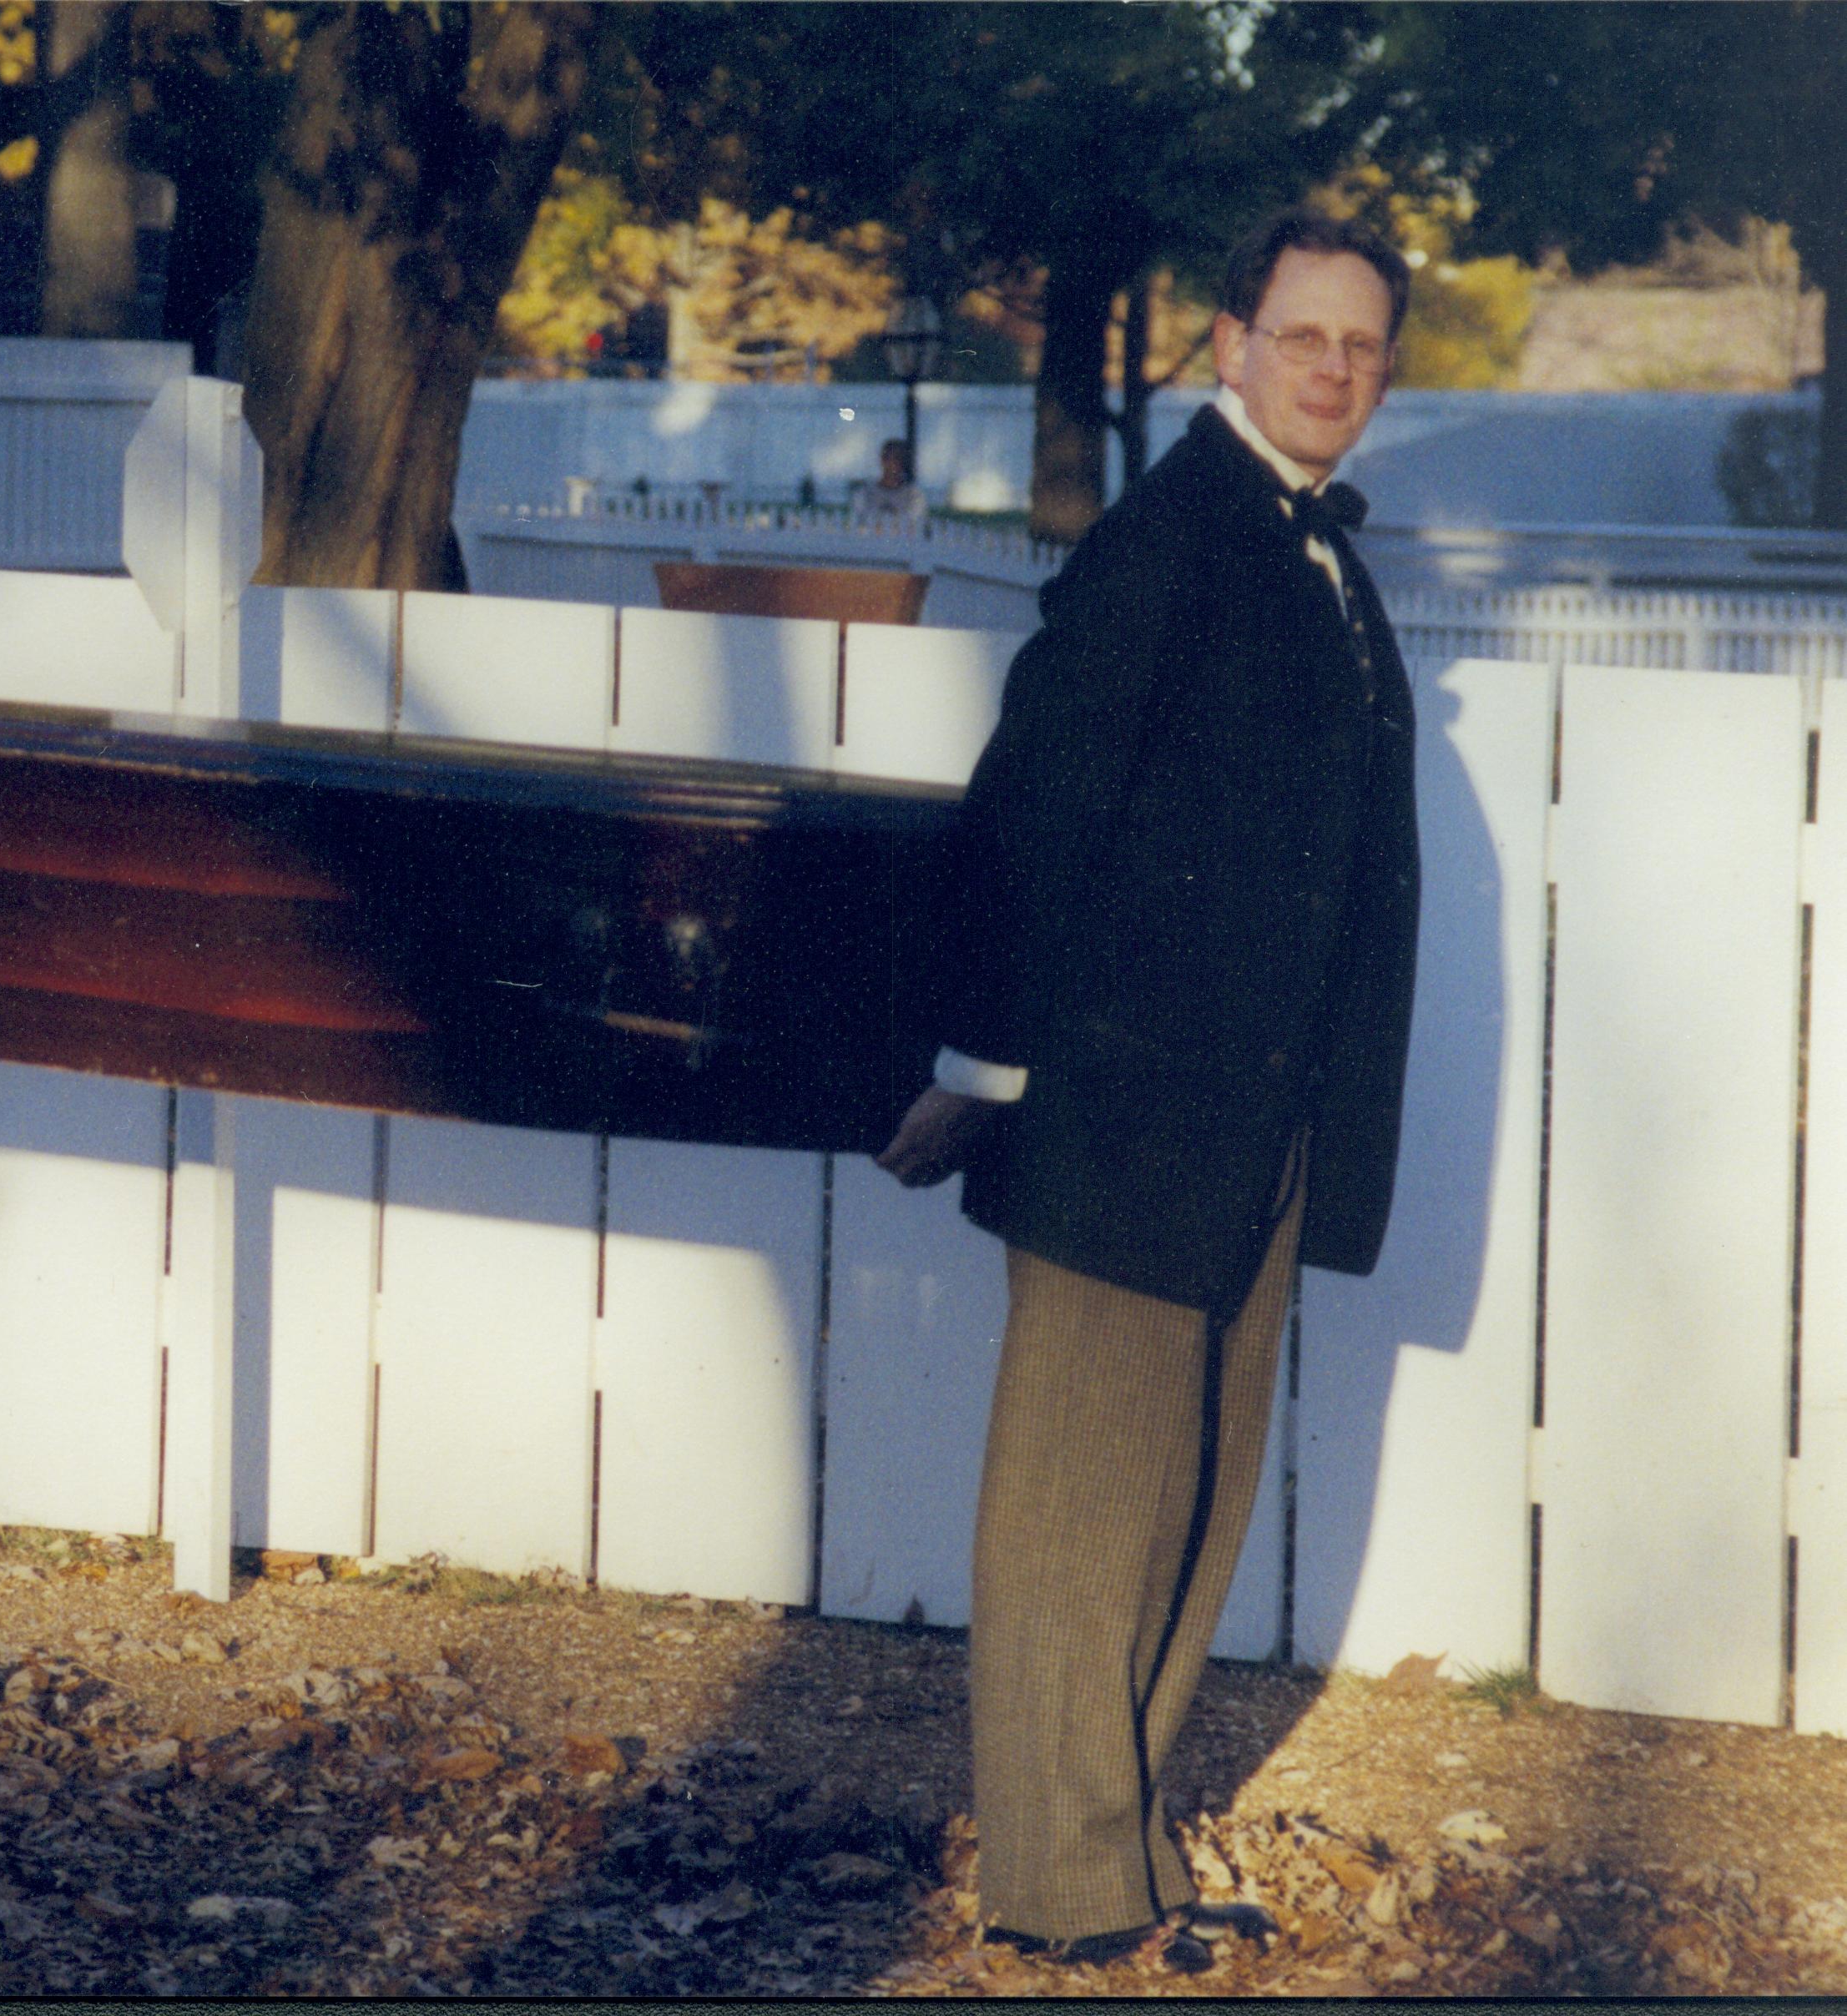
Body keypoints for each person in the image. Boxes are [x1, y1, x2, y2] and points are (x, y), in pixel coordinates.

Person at [878, 209, 1421, 1971]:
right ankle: (1056, 1883)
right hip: (1121, 1112)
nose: (1333, 370)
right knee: (1080, 1512)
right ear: (1227, 348)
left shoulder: (1314, 552)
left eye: (1362, 346)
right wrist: (986, 1067)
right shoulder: (1167, 537)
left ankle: (1127, 1856)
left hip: (1252, 1119)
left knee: (1188, 1499)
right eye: (1303, 337)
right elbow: (1032, 804)